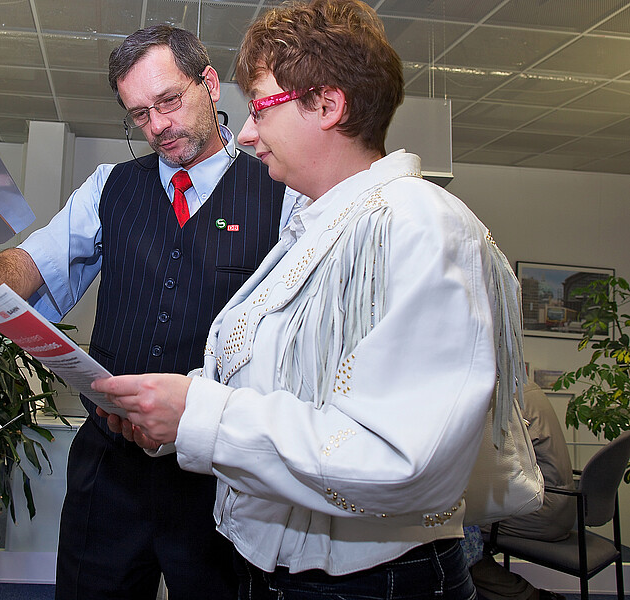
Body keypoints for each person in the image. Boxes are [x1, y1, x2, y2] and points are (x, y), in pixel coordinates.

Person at [93, 1, 526, 598]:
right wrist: (171, 412)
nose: (244, 133)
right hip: (285, 571)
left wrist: (201, 415)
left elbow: (402, 461)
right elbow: (288, 386)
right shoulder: (311, 231)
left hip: (368, 583)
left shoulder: (421, 226)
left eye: (261, 109)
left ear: (327, 105)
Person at [0, 25, 294, 600]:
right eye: (139, 115)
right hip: (110, 470)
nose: (158, 127)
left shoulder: (278, 193)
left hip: (218, 475)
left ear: (211, 85)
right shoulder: (111, 187)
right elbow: (39, 259)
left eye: (168, 101)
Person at [470, 381, 575, 600]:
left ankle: (527, 596)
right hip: (562, 503)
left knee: (453, 532)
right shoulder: (523, 384)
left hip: (541, 510)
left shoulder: (499, 393)